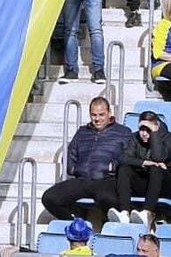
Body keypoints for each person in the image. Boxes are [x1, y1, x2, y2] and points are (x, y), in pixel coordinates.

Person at [40, 96, 131, 228]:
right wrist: (74, 169)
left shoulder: (123, 132)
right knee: (49, 198)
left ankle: (108, 231)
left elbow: (128, 156)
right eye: (94, 115)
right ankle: (77, 226)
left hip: (107, 179)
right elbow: (70, 153)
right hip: (82, 180)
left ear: (109, 113)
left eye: (101, 114)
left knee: (108, 199)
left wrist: (113, 168)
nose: (97, 119)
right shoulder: (82, 132)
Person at [106, 109, 171, 228]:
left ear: (156, 127)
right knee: (124, 168)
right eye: (141, 129)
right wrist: (143, 162)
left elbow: (158, 157)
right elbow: (123, 158)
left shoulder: (170, 139)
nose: (144, 134)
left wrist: (154, 134)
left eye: (148, 129)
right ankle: (124, 213)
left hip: (168, 187)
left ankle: (147, 213)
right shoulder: (135, 138)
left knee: (156, 168)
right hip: (146, 184)